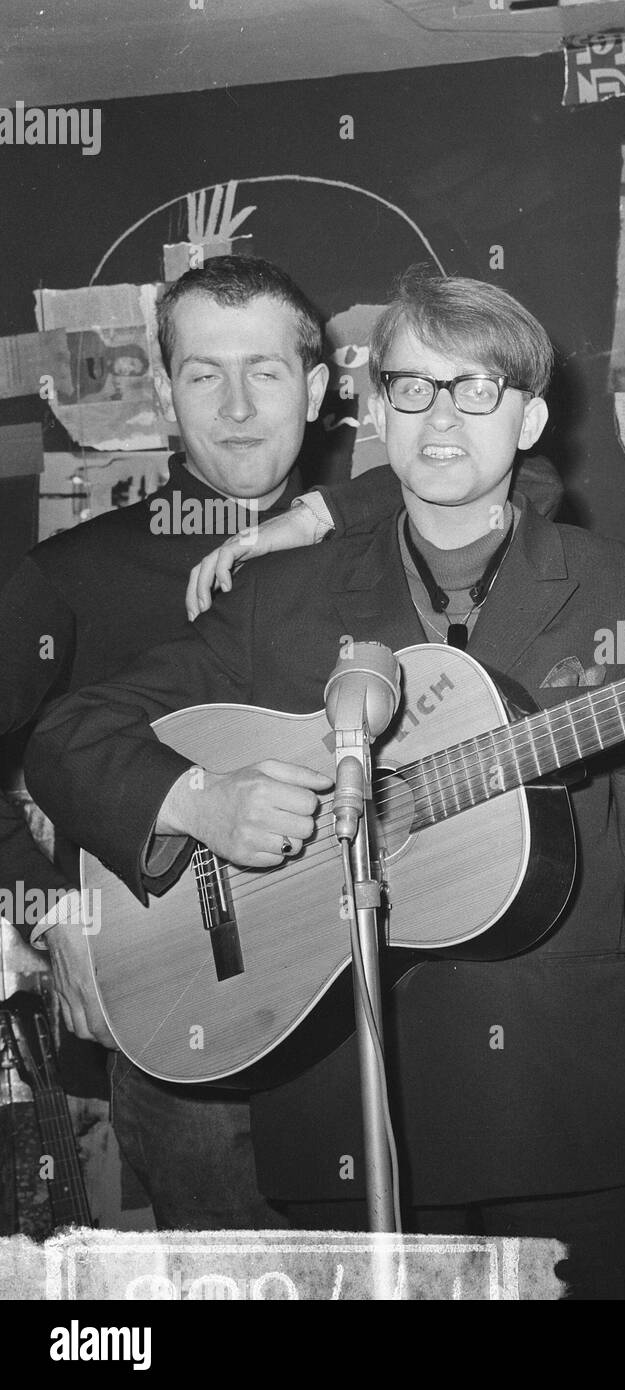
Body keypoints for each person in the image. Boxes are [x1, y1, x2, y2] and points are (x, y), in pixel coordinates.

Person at [27, 269, 625, 1297]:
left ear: (530, 418)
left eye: (476, 391)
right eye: (413, 389)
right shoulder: (279, 601)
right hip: (343, 1109)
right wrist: (201, 801)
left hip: (560, 1110)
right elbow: (68, 733)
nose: (439, 418)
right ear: (376, 410)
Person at [0, 253, 331, 1229]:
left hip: (369, 1010)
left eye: (264, 372)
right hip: (172, 1025)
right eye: (202, 373)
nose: (235, 404)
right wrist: (50, 906)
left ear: (314, 387)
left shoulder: (379, 550)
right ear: (165, 391)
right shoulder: (71, 574)